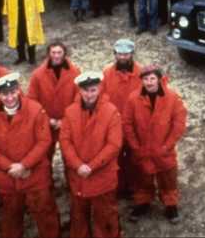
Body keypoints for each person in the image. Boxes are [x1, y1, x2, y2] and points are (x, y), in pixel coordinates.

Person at [0, 72, 60, 238]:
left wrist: (24, 165)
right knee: (10, 218)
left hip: (35, 174)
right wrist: (10, 167)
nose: (9, 97)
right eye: (4, 94)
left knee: (46, 215)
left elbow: (44, 141)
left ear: (18, 90)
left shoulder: (35, 109)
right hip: (7, 177)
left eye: (12, 92)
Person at [60, 71, 123, 238]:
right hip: (78, 175)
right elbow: (65, 141)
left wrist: (91, 166)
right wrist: (78, 165)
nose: (89, 94)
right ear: (79, 91)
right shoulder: (70, 112)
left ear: (100, 89)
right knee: (78, 216)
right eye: (85, 90)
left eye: (93, 90)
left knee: (105, 215)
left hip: (102, 176)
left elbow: (114, 144)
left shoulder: (111, 112)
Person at [123, 65, 187, 223]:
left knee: (168, 179)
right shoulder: (133, 98)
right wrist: (135, 146)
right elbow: (127, 124)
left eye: (152, 78)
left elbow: (179, 123)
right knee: (142, 178)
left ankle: (171, 205)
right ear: (141, 80)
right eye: (145, 79)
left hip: (164, 150)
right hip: (142, 149)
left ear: (159, 79)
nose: (149, 82)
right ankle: (143, 203)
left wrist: (167, 145)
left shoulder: (172, 97)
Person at [27, 41, 81, 169]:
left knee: (70, 155)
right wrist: (47, 120)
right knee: (44, 155)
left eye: (59, 52)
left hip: (68, 122)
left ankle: (72, 184)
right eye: (53, 53)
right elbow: (32, 101)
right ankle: (47, 184)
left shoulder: (75, 73)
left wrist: (66, 120)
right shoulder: (37, 75)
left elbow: (79, 99)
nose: (56, 56)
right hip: (45, 123)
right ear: (48, 54)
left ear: (64, 54)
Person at [100, 38, 144, 198]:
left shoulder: (142, 73)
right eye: (119, 54)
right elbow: (101, 97)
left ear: (132, 54)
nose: (123, 57)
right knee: (114, 157)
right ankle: (117, 186)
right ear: (114, 54)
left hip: (135, 125)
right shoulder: (106, 73)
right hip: (114, 124)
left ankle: (134, 187)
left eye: (126, 54)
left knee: (134, 157)